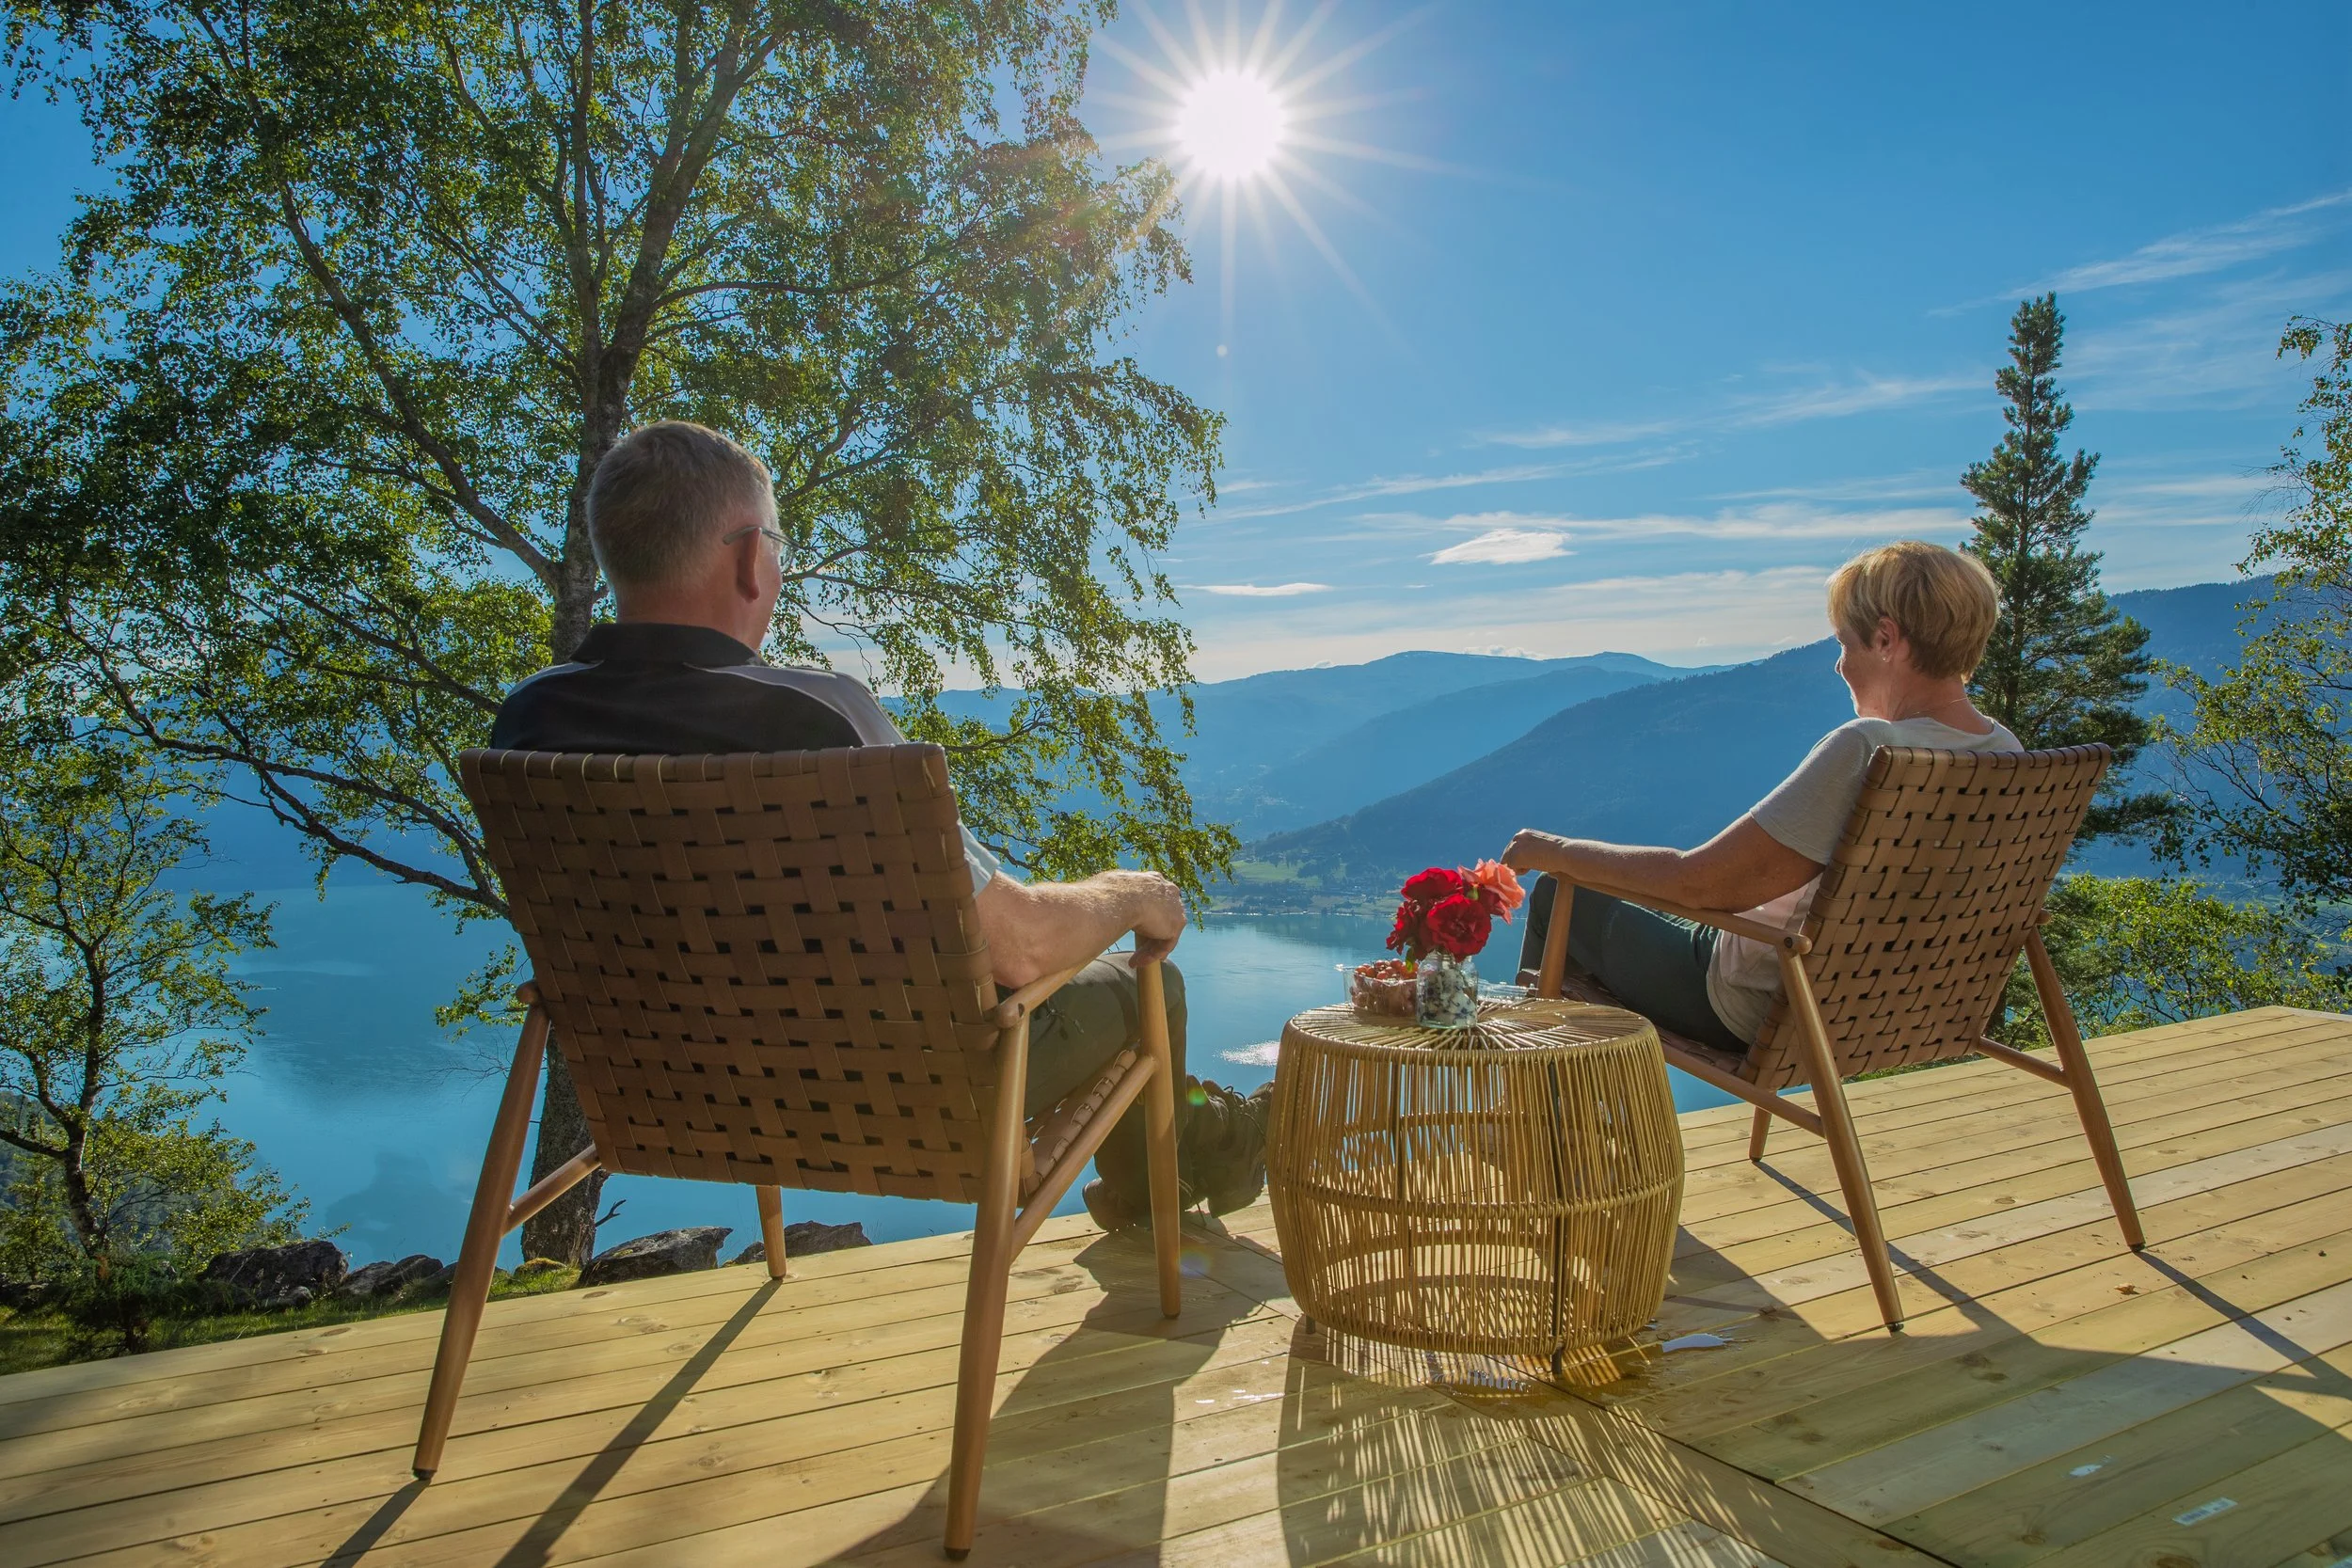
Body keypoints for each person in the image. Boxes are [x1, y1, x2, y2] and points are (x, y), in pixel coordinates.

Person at [489, 420, 1267, 1227]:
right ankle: (1155, 1201)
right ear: (751, 556)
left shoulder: (530, 721)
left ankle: (1191, 1161)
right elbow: (1023, 944)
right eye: (780, 546)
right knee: (1154, 984)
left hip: (664, 1085)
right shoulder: (813, 718)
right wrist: (1134, 892)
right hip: (887, 1094)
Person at [1501, 540, 2020, 1050]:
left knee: (1558, 891)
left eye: (1845, 643)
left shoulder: (1869, 749)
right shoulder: (2006, 753)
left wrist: (1554, 850)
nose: (1840, 666)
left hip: (1768, 1002)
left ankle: (1547, 1121)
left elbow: (1700, 883)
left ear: (1886, 640)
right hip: (1900, 1006)